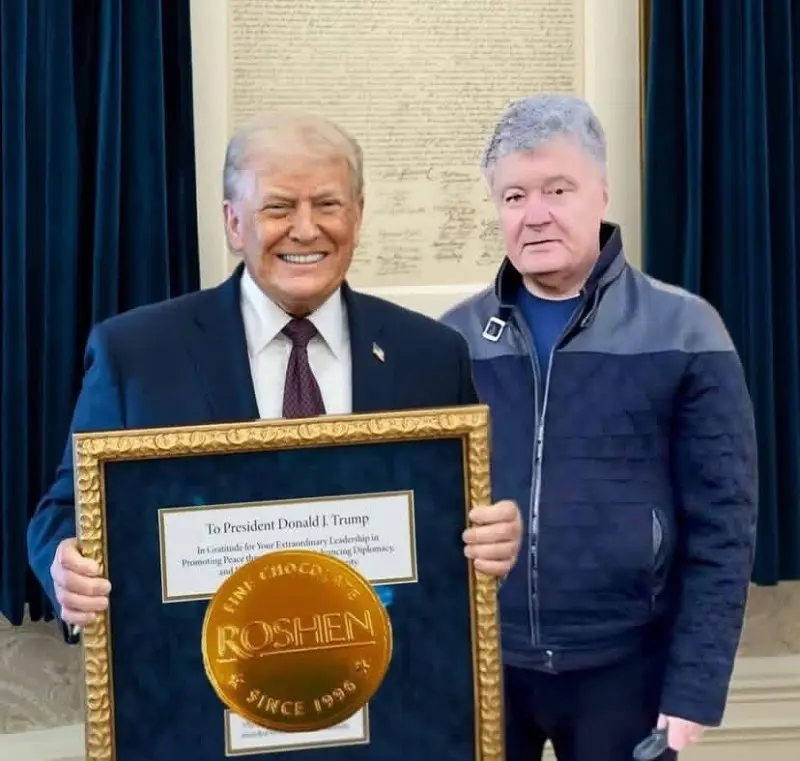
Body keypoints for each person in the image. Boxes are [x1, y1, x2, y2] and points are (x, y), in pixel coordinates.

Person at [27, 108, 522, 634]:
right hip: (197, 667)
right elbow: (67, 508)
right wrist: (65, 564)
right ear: (233, 223)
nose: (305, 229)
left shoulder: (432, 354)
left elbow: (462, 515)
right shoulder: (136, 354)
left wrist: (495, 538)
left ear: (357, 216)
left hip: (385, 665)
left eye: (327, 204)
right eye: (279, 207)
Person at [441, 94, 758, 761]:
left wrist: (696, 686)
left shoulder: (686, 330)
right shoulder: (452, 340)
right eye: (514, 196)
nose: (535, 214)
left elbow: (724, 526)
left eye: (558, 189)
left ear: (602, 192)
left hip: (628, 668)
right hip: (485, 665)